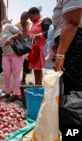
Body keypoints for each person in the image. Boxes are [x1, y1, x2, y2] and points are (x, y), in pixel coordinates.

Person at [52, 0, 82, 128]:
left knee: (75, 97)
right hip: (70, 44)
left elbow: (71, 22)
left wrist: (60, 55)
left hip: (74, 45)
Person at [27, 7, 52, 85]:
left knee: (43, 70)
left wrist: (37, 35)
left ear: (37, 14)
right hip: (34, 49)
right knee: (36, 69)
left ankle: (41, 86)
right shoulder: (33, 23)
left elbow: (48, 33)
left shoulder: (45, 20)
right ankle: (37, 85)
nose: (30, 19)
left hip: (42, 49)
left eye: (31, 17)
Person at [15, 11, 32, 85]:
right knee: (17, 65)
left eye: (25, 19)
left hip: (26, 47)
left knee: (26, 64)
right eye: (22, 19)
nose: (23, 20)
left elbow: (29, 35)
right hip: (18, 47)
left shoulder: (30, 25)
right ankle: (16, 79)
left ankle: (23, 79)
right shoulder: (16, 25)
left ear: (27, 19)